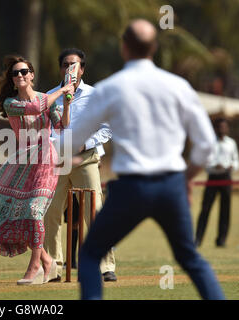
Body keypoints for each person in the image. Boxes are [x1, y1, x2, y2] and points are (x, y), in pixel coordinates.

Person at [62, 19, 225, 299]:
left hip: (132, 189)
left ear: (124, 48)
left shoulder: (110, 87)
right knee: (190, 258)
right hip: (171, 185)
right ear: (155, 48)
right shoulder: (177, 85)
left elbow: (72, 139)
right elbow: (207, 144)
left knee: (89, 255)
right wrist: (186, 178)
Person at [0, 55, 74, 285]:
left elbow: (63, 125)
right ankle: (48, 261)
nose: (20, 76)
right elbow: (36, 106)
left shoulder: (49, 99)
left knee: (34, 210)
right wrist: (63, 89)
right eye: (15, 73)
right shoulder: (11, 103)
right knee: (9, 211)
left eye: (24, 71)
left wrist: (66, 103)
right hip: (23, 161)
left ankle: (35, 267)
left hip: (47, 159)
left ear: (32, 74)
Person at [44, 48, 116, 282]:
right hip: (59, 161)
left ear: (82, 69)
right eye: (65, 65)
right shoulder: (51, 96)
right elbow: (46, 132)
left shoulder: (96, 95)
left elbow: (107, 129)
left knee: (93, 212)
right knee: (51, 213)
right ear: (60, 68)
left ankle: (105, 266)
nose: (69, 69)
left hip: (86, 159)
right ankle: (53, 267)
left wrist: (85, 145)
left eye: (74, 65)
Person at [195, 118, 239, 247]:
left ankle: (221, 240)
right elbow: (205, 162)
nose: (221, 130)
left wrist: (232, 166)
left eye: (224, 127)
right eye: (219, 127)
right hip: (213, 178)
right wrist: (215, 166)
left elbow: (236, 161)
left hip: (226, 178)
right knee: (205, 208)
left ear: (227, 129)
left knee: (225, 210)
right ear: (215, 129)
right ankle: (198, 239)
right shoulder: (210, 143)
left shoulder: (231, 143)